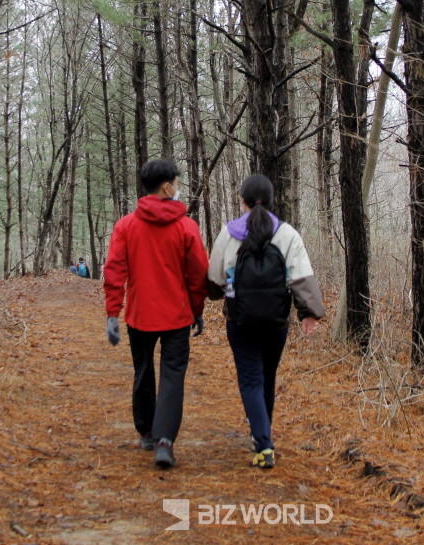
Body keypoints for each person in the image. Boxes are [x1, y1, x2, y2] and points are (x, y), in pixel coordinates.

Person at [207, 174, 325, 469]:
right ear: (273, 202)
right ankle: (263, 437)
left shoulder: (228, 234)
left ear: (242, 201)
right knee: (267, 378)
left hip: (240, 319)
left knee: (250, 379)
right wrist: (309, 312)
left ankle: (262, 443)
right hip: (276, 321)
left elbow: (215, 278)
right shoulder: (287, 235)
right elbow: (300, 277)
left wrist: (213, 293)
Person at [103, 158, 208, 469]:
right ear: (166, 187)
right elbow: (198, 275)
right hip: (177, 316)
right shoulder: (187, 227)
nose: (178, 188)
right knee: (173, 375)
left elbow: (114, 271)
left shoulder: (126, 226)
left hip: (140, 315)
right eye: (176, 183)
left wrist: (112, 314)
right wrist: (197, 310)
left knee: (143, 370)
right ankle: (165, 440)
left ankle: (147, 431)